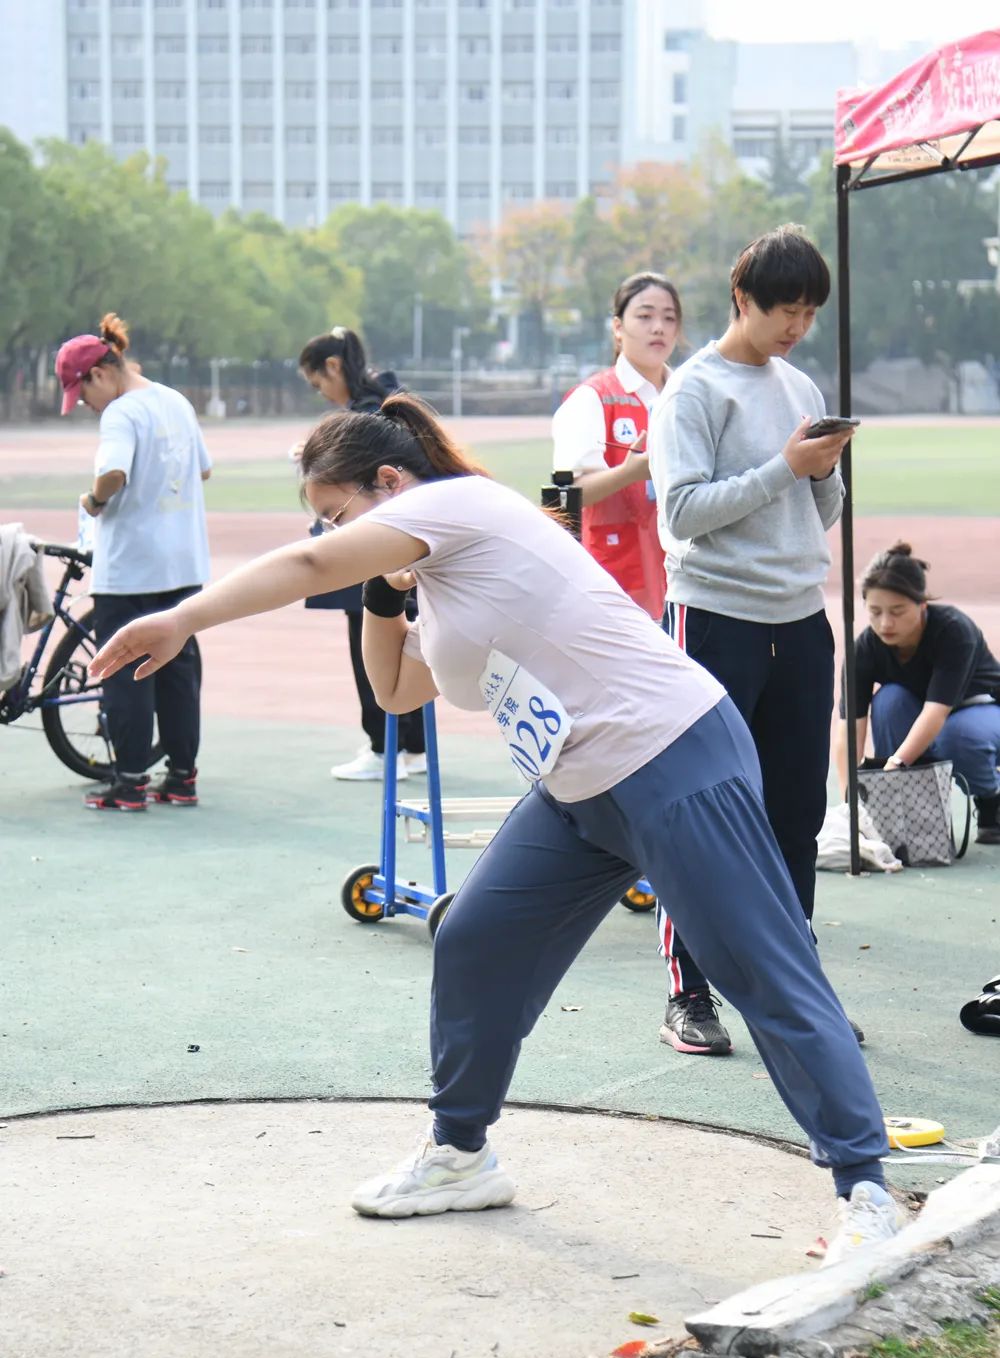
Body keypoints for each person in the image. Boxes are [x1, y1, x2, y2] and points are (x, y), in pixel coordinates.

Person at [89, 394, 900, 1262]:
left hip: (670, 753)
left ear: (390, 482)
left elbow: (305, 564)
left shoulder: (457, 506)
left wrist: (184, 616)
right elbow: (398, 692)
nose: (334, 532)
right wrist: (381, 598)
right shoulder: (440, 582)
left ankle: (866, 1193)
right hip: (581, 789)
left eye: (339, 512)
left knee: (758, 966)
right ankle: (460, 1154)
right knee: (475, 937)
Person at [648, 225, 858, 1056]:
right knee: (701, 811)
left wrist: (826, 467)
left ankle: (795, 991)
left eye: (809, 312)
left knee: (798, 817)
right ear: (743, 299)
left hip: (800, 620)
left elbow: (818, 514)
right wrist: (786, 467)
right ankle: (688, 994)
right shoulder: (693, 392)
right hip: (715, 618)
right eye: (784, 309)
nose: (796, 326)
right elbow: (682, 516)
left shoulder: (798, 380)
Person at [56, 312, 210, 811]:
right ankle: (182, 778)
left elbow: (113, 473)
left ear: (99, 374)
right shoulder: (176, 401)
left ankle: (129, 782)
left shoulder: (121, 413)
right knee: (177, 669)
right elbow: (203, 471)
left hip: (130, 568)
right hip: (183, 562)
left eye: (81, 394)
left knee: (123, 670)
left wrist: (94, 501)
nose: (84, 405)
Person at [297, 327, 425, 783]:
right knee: (408, 642)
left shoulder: (368, 414)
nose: (322, 393)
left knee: (370, 644)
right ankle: (412, 746)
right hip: (404, 545)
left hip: (376, 543)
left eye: (318, 383)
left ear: (333, 367)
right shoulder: (389, 398)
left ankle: (382, 746)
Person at [836, 542, 1000, 845]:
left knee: (957, 734)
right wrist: (851, 805)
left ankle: (992, 800)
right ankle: (914, 816)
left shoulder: (953, 630)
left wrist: (894, 766)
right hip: (924, 716)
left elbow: (936, 712)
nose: (885, 623)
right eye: (875, 612)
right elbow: (848, 729)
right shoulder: (864, 648)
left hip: (981, 711)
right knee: (889, 700)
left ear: (922, 604)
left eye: (897, 611)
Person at [551, 273, 680, 618]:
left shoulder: (688, 397)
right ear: (618, 327)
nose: (659, 327)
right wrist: (629, 472)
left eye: (669, 318)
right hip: (614, 584)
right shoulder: (592, 398)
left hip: (685, 583)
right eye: (645, 315)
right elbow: (567, 495)